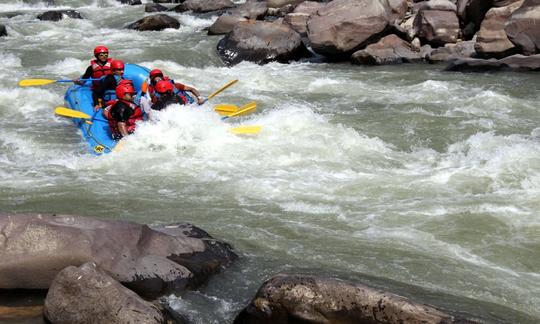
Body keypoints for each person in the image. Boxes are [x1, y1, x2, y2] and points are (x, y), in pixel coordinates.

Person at [140, 69, 204, 114]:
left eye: (159, 77)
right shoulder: (154, 92)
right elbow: (155, 106)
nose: (158, 79)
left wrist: (199, 98)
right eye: (155, 77)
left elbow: (191, 89)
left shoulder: (176, 85)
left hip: (189, 105)